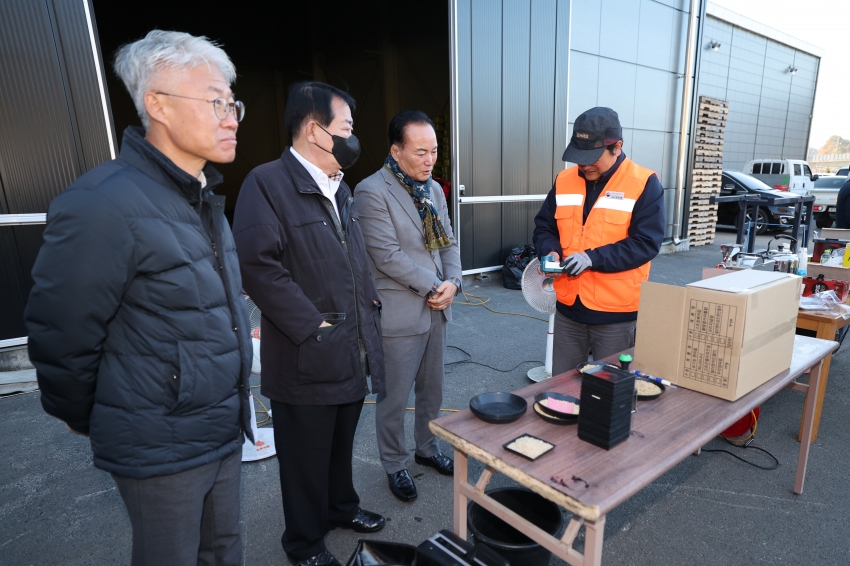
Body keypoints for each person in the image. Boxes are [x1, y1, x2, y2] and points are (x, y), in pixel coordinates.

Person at [24, 31, 252, 566]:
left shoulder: (200, 198)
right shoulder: (102, 204)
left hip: (220, 424)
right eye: (215, 101)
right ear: (158, 105)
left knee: (223, 551)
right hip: (160, 441)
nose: (231, 117)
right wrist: (92, 415)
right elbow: (62, 335)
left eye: (232, 103)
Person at [232, 81, 386, 566]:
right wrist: (314, 328)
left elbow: (352, 264)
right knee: (304, 458)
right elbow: (257, 266)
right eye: (347, 128)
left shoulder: (339, 187)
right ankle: (303, 543)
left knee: (341, 442)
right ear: (316, 130)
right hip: (307, 354)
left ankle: (341, 507)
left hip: (351, 346)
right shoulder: (267, 183)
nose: (353, 138)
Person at [354, 110, 462, 502]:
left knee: (432, 389)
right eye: (420, 152)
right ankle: (395, 464)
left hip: (437, 305)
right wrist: (436, 284)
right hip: (400, 312)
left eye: (433, 151)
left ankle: (427, 449)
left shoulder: (433, 190)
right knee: (395, 396)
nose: (429, 160)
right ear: (396, 151)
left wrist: (454, 282)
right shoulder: (370, 191)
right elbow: (387, 255)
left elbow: (448, 242)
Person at [532, 107, 664, 375]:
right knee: (562, 390)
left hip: (616, 316)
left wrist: (593, 258)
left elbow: (646, 243)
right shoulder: (565, 180)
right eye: (579, 157)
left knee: (609, 394)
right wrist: (550, 252)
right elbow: (545, 227)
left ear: (617, 147)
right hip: (569, 310)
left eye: (592, 157)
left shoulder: (643, 183)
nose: (584, 165)